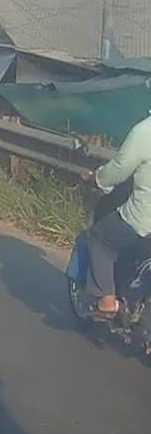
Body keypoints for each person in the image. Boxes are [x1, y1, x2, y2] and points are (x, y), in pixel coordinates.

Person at [88, 113, 151, 316]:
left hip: (144, 219)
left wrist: (99, 179)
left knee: (101, 239)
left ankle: (107, 302)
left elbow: (120, 168)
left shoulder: (144, 131)